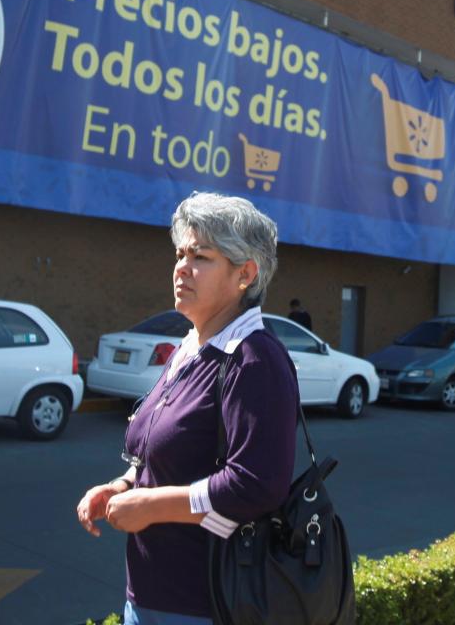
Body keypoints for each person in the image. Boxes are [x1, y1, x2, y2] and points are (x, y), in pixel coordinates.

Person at [75, 192, 298, 625]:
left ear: (245, 274)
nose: (181, 266)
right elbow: (168, 454)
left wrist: (152, 505)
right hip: (150, 595)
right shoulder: (191, 348)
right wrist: (123, 485)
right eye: (180, 253)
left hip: (203, 604)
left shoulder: (253, 358)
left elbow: (257, 484)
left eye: (201, 256)